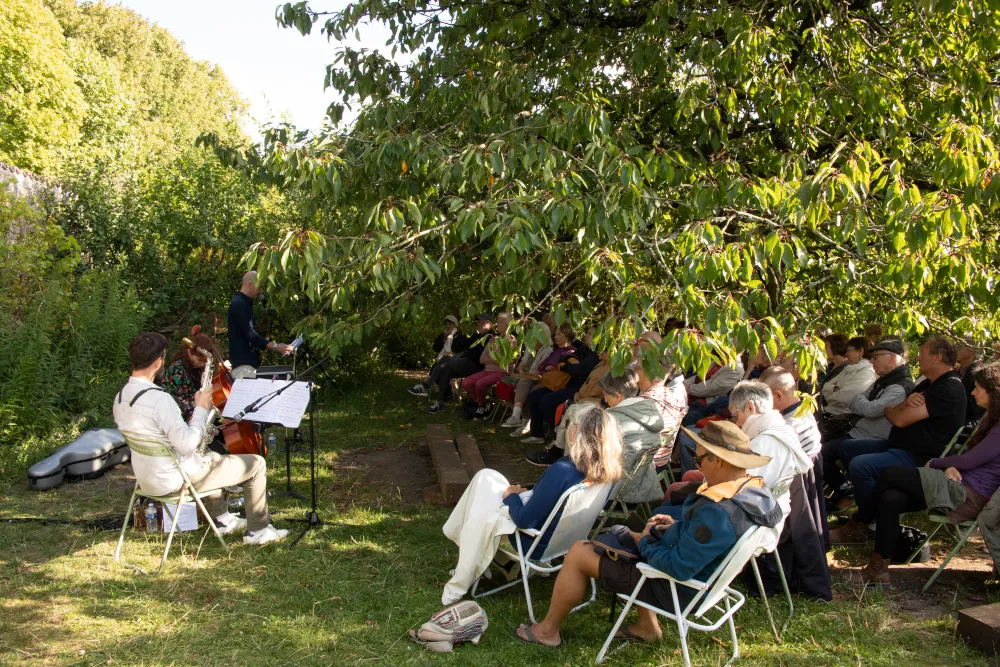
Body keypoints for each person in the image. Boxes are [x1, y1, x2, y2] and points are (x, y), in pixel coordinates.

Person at [513, 420, 781, 648]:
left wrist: (646, 543)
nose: (697, 467)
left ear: (719, 461)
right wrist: (673, 527)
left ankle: (547, 631)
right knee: (626, 534)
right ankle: (646, 626)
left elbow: (678, 567)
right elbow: (705, 539)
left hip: (675, 589)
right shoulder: (752, 492)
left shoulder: (717, 512)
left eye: (699, 459)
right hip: (705, 583)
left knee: (579, 552)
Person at [830, 363, 1000, 585]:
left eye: (978, 388)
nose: (973, 391)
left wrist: (937, 462)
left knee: (889, 475)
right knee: (890, 499)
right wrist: (949, 465)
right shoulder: (990, 420)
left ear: (994, 393)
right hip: (957, 484)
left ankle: (858, 524)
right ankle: (877, 571)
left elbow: (970, 460)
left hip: (966, 495)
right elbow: (970, 460)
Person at [113, 332, 287, 545]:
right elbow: (187, 444)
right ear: (158, 362)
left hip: (146, 479)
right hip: (174, 480)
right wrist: (201, 409)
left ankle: (223, 520)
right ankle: (258, 531)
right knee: (257, 464)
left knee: (210, 455)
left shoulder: (121, 396)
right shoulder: (159, 400)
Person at [440, 404, 623, 604]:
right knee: (486, 477)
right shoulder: (609, 474)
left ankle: (466, 564)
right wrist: (527, 494)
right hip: (567, 540)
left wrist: (511, 495)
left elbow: (524, 520)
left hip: (532, 543)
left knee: (482, 490)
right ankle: (469, 558)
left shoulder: (562, 470)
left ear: (576, 432)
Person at [831, 336, 968, 521]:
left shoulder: (948, 388)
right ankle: (871, 504)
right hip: (899, 446)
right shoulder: (928, 383)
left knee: (860, 465)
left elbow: (899, 420)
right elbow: (891, 410)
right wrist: (896, 408)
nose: (917, 358)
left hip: (919, 457)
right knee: (846, 447)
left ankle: (869, 521)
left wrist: (892, 409)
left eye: (922, 353)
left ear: (937, 358)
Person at [757, 367, 832, 599]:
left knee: (803, 532)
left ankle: (809, 585)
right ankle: (791, 577)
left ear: (778, 396)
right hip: (804, 476)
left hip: (796, 482)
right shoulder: (800, 410)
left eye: (765, 398)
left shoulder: (789, 426)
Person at [822, 339, 914, 511]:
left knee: (820, 456)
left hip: (873, 439)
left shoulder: (900, 387)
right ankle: (847, 492)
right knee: (818, 453)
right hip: (857, 432)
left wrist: (863, 404)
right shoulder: (884, 380)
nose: (871, 361)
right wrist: (864, 404)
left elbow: (869, 409)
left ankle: (849, 494)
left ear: (892, 359)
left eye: (875, 357)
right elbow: (855, 399)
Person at [523, 349, 610, 466]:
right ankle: (555, 449)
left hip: (595, 404)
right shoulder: (600, 363)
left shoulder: (613, 368)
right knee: (542, 398)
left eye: (605, 350)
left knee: (572, 413)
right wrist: (579, 393)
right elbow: (588, 383)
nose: (600, 353)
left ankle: (564, 458)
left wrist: (583, 396)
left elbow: (603, 393)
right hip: (582, 397)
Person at [599, 368, 665, 504]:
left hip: (618, 489)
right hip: (643, 482)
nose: (604, 400)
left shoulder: (612, 419)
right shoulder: (646, 409)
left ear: (618, 396)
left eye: (606, 395)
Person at [521, 324, 581, 444]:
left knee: (545, 400)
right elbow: (543, 366)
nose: (556, 336)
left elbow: (570, 366)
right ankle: (537, 434)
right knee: (533, 396)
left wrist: (554, 367)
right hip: (548, 382)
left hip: (561, 385)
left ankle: (556, 434)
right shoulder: (556, 350)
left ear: (567, 335)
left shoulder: (571, 351)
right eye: (555, 334)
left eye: (559, 334)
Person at [227, 271, 292, 379]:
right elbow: (251, 335)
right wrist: (276, 347)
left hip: (248, 365)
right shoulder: (238, 304)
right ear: (250, 284)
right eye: (260, 287)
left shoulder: (244, 304)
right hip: (243, 367)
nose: (261, 291)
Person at [427, 314, 493, 413]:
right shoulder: (477, 335)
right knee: (446, 369)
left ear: (490, 324)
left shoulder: (491, 337)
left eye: (482, 322)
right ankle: (439, 402)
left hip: (477, 367)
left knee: (446, 359)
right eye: (478, 322)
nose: (479, 324)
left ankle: (426, 385)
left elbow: (480, 356)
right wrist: (445, 337)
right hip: (463, 363)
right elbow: (464, 346)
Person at [161, 326, 225, 423]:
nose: (202, 364)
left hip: (199, 415)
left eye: (204, 361)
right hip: (181, 420)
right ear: (189, 352)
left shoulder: (201, 368)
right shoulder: (177, 369)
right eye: (199, 360)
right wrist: (201, 404)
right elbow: (176, 402)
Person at [499, 322, 553, 429]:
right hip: (524, 375)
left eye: (536, 334)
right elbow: (522, 363)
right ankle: (518, 414)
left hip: (535, 377)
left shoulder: (548, 350)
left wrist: (523, 375)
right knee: (502, 383)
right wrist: (521, 370)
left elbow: (538, 370)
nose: (533, 336)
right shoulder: (530, 347)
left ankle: (516, 417)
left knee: (523, 384)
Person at [461, 313, 514, 419]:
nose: (497, 325)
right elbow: (481, 359)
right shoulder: (493, 339)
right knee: (466, 382)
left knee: (480, 384)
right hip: (487, 370)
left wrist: (491, 359)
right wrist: (495, 359)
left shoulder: (511, 340)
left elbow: (505, 361)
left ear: (509, 325)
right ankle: (483, 404)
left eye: (500, 322)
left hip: (501, 372)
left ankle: (480, 406)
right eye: (497, 322)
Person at [408, 316, 469, 396]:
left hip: (455, 363)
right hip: (442, 361)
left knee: (441, 369)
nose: (447, 326)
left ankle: (425, 388)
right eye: (446, 324)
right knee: (436, 368)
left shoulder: (460, 336)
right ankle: (443, 390)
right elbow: (436, 348)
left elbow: (462, 351)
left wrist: (451, 353)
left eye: (450, 324)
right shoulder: (443, 335)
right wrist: (444, 338)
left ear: (454, 325)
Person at [682, 351, 744, 426]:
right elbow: (700, 376)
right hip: (694, 394)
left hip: (707, 403)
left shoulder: (736, 369)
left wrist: (686, 389)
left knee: (689, 415)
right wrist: (684, 384)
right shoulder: (718, 360)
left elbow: (712, 388)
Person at [820, 336, 877, 417]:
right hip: (828, 413)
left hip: (843, 420)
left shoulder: (867, 374)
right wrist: (836, 390)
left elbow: (843, 399)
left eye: (849, 350)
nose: (846, 354)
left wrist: (830, 395)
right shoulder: (848, 369)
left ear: (860, 351)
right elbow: (825, 387)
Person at [957, 339, 986, 425]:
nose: (954, 349)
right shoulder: (961, 370)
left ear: (970, 350)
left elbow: (972, 406)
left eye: (959, 346)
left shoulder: (977, 373)